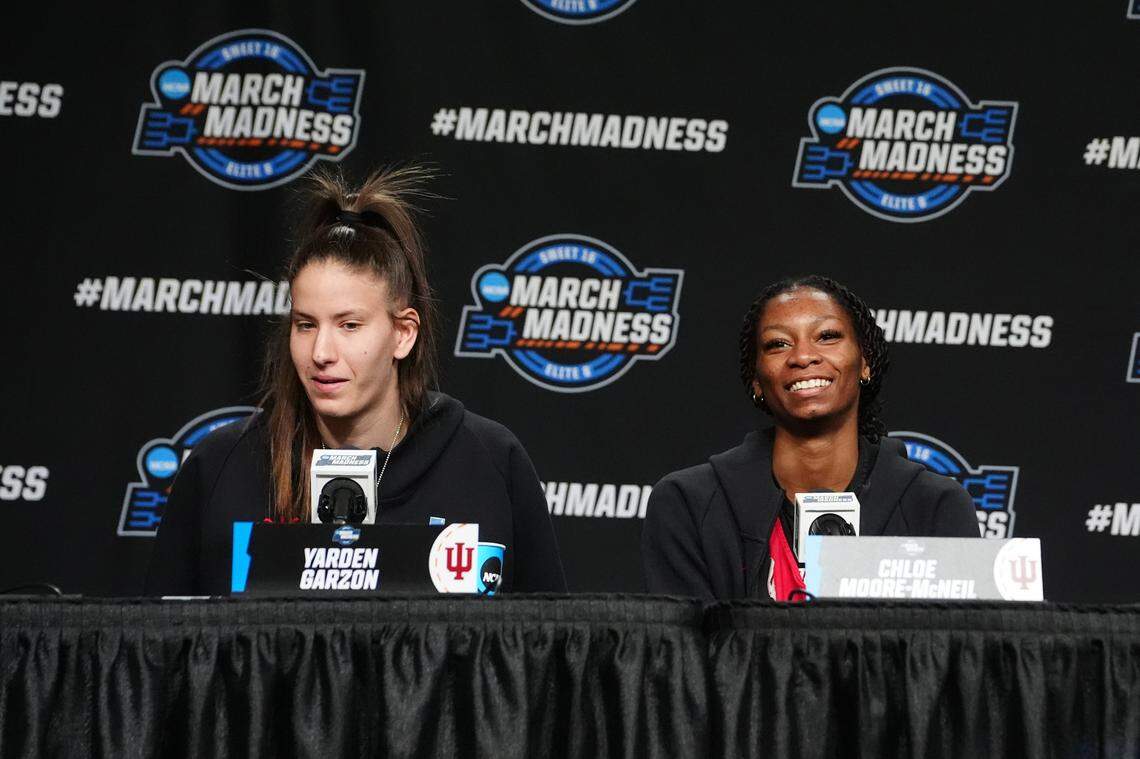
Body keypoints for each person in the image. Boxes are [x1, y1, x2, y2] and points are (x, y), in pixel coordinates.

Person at [146, 168, 566, 596]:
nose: (321, 352)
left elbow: (547, 647)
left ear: (403, 333)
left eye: (349, 325)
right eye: (306, 325)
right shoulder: (221, 466)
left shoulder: (491, 463)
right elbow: (159, 647)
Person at [641, 274, 977, 601]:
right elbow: (682, 652)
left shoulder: (935, 506)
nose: (803, 356)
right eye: (778, 344)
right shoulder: (687, 504)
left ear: (865, 362)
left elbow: (953, 652)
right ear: (756, 380)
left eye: (827, 336)